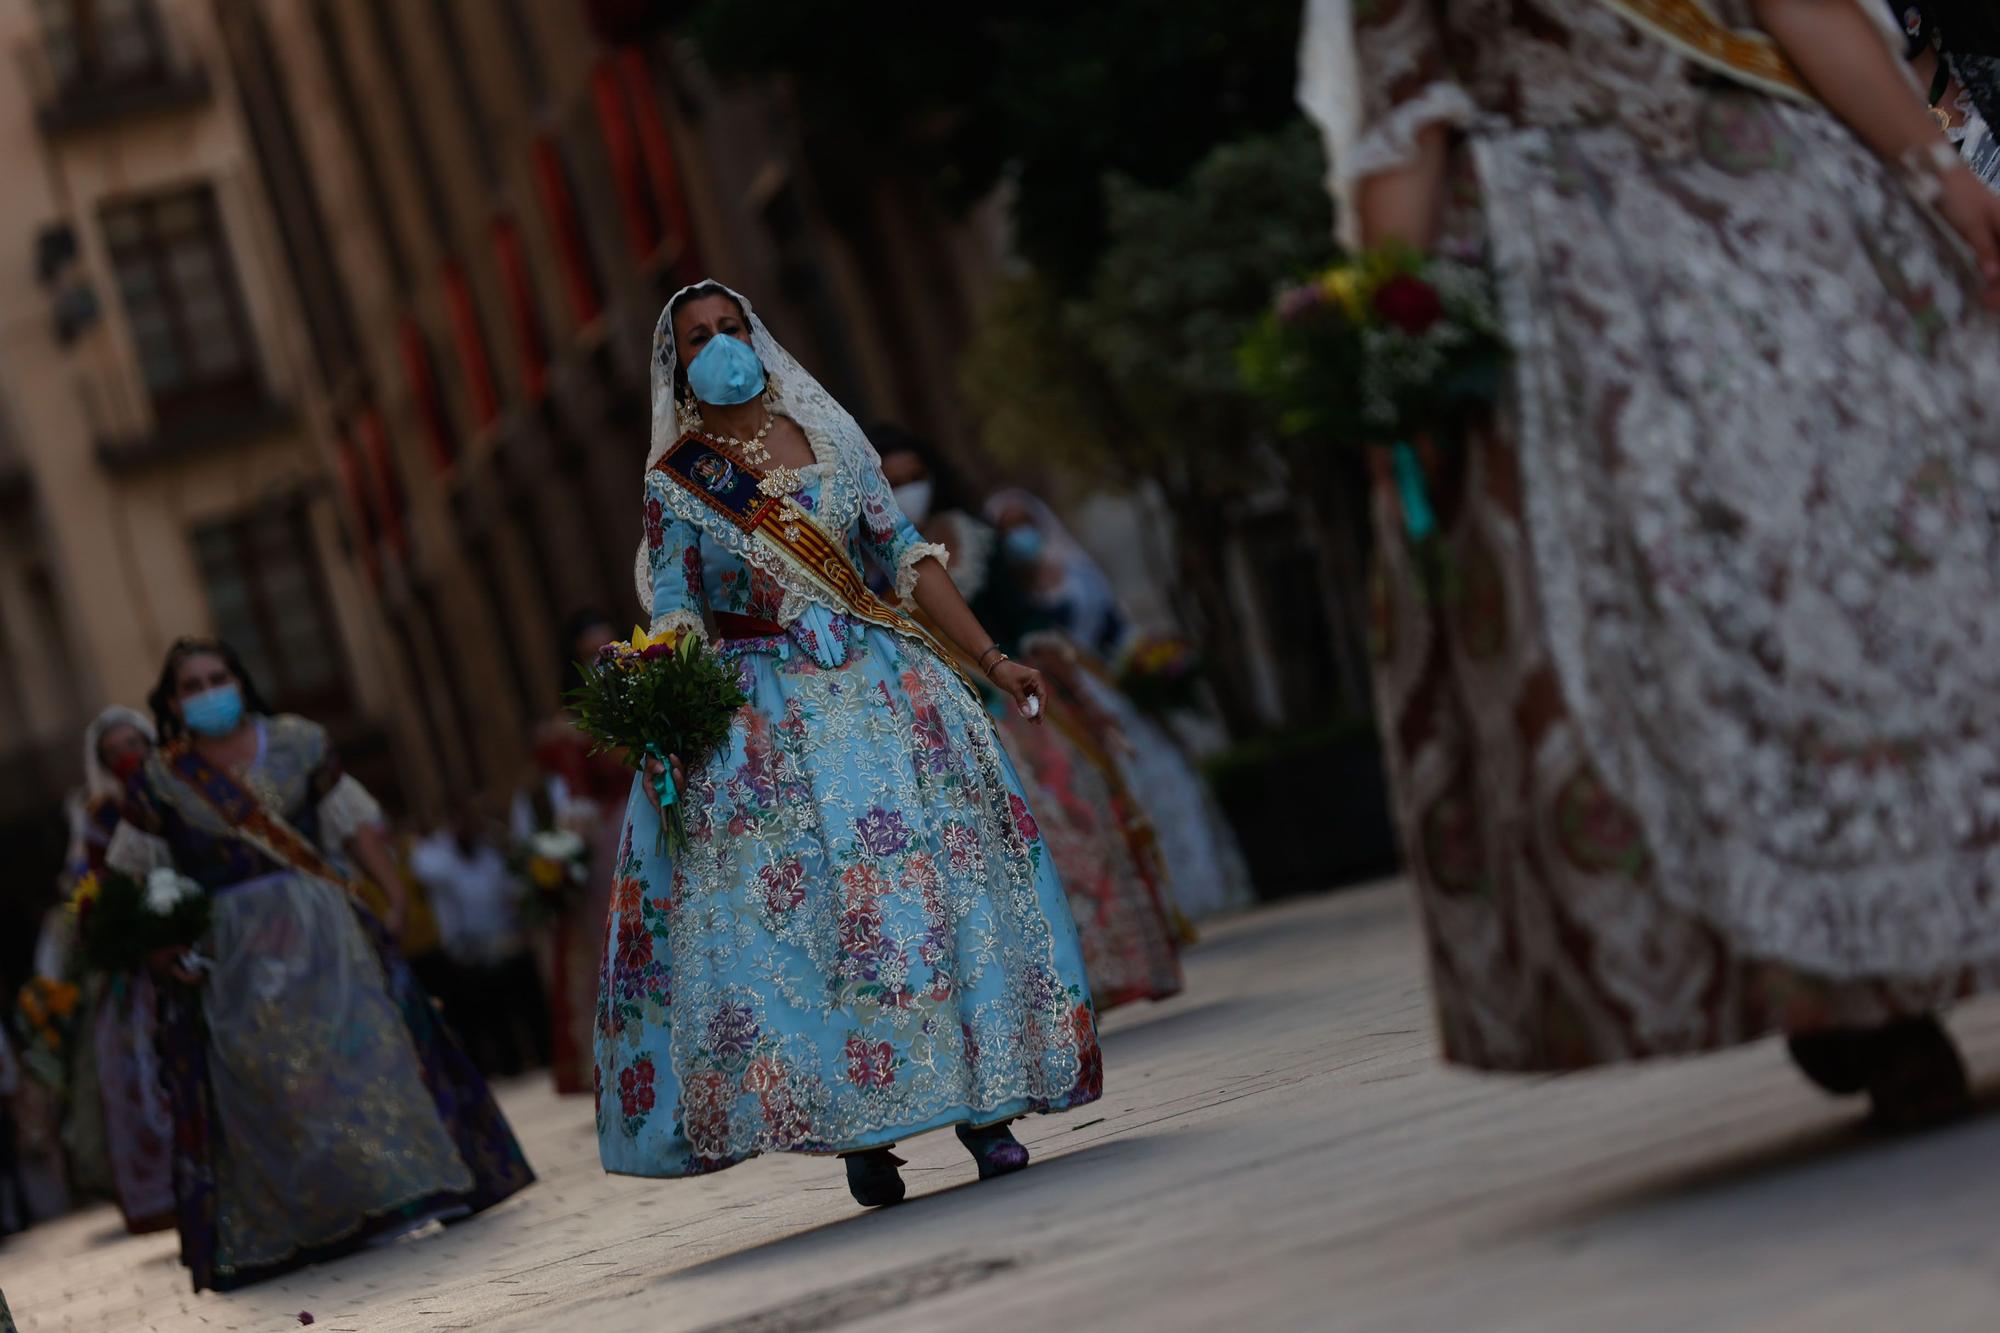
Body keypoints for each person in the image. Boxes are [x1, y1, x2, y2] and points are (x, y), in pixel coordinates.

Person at [1304, 0, 2000, 1125]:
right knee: (1897, 572)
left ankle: (1856, 996)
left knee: (1712, 637)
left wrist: (1395, 346)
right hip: (1783, 211)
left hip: (1579, 276)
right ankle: (1870, 979)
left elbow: (1403, 128)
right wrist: (1935, 173)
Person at [598, 281, 1102, 1208]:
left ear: (758, 336)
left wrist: (991, 658)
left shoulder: (832, 439)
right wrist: (657, 691)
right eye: (697, 338)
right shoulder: (677, 478)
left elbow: (905, 558)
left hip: (888, 692)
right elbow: (674, 604)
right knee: (824, 919)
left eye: (729, 329)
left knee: (935, 890)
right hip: (766, 718)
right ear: (678, 364)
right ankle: (863, 1130)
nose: (718, 346)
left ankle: (985, 1112)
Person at [107, 637, 532, 1290]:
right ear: (170, 702)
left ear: (243, 682)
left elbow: (354, 824)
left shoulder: (300, 741)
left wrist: (391, 893)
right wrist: (162, 947)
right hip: (234, 959)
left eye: (218, 676)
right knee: (268, 1085)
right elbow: (131, 879)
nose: (208, 691)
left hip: (326, 935)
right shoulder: (162, 779)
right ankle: (313, 1216)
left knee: (362, 1061)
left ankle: (400, 1189)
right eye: (191, 685)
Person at [875, 426, 1183, 1009]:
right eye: (894, 482)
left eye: (916, 477)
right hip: (935, 722)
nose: (908, 491)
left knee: (1073, 820)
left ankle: (1112, 969)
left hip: (1012, 709)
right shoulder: (867, 564)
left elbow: (1023, 623)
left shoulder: (975, 537)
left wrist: (1064, 690)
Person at [987, 490, 1255, 924]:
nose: (1020, 535)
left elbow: (1116, 630)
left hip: (1103, 685)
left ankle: (1194, 888)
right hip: (1054, 696)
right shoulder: (1008, 592)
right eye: (1008, 528)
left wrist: (1151, 664)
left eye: (1024, 523)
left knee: (1161, 779)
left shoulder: (1078, 573)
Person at [63, 707, 175, 1234]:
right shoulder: (101, 814)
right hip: (137, 958)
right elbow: (100, 879)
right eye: (116, 749)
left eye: (135, 742)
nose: (128, 753)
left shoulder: (179, 786)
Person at [531, 611, 630, 1095]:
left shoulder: (646, 696)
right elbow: (575, 801)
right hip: (612, 842)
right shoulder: (572, 728)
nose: (603, 662)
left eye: (608, 649)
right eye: (592, 655)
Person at [410, 806, 548, 1078]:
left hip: (502, 937)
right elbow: (425, 868)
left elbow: (508, 887)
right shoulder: (438, 857)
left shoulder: (488, 851)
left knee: (525, 995)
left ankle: (540, 1056)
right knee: (485, 1013)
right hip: (467, 948)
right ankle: (504, 1067)